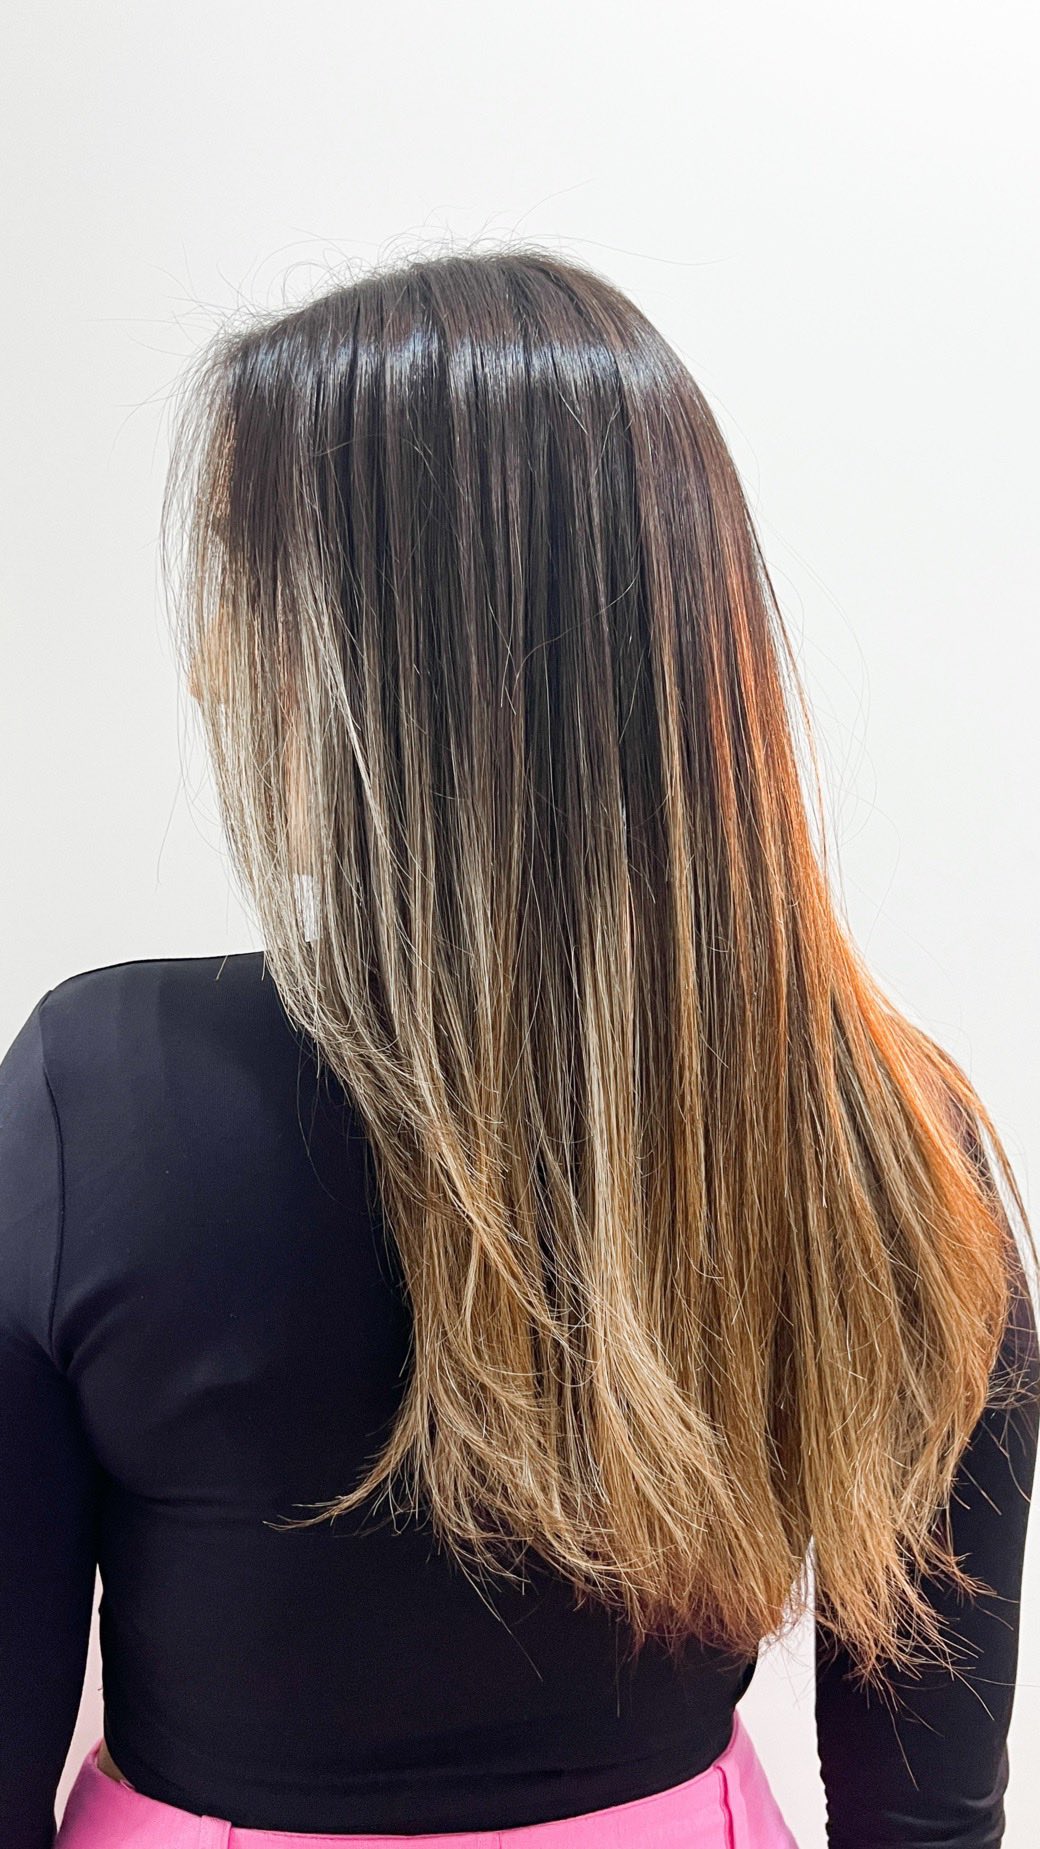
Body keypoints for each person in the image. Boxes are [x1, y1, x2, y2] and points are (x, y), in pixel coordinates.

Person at [1, 245, 1037, 1849]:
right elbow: (929, 1821)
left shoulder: (103, 1092)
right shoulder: (891, 1147)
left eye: (246, 596)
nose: (211, 669)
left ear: (385, 660)